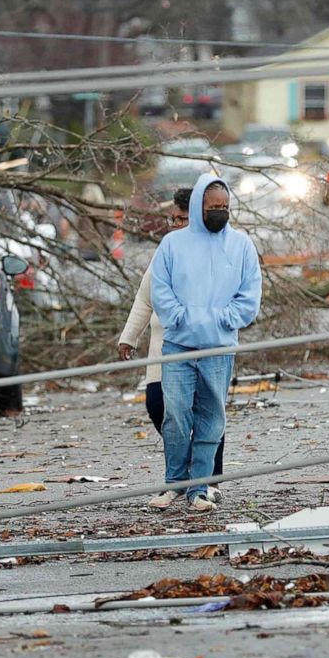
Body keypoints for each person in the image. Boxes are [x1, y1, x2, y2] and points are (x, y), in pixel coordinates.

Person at [148, 173, 262, 513]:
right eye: (214, 206)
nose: (220, 212)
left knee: (212, 418)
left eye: (225, 207)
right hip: (179, 346)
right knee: (176, 415)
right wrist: (181, 318)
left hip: (219, 347)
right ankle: (175, 484)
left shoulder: (241, 245)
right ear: (198, 206)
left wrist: (224, 320)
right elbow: (160, 290)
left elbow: (250, 294)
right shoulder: (172, 244)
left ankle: (199, 489)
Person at [117, 189, 225, 500]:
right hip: (162, 349)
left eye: (182, 218)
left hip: (203, 347)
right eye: (172, 218)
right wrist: (129, 337)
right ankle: (187, 471)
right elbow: (144, 297)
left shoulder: (215, 250)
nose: (175, 224)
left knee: (208, 414)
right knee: (158, 406)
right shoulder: (165, 251)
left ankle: (208, 481)